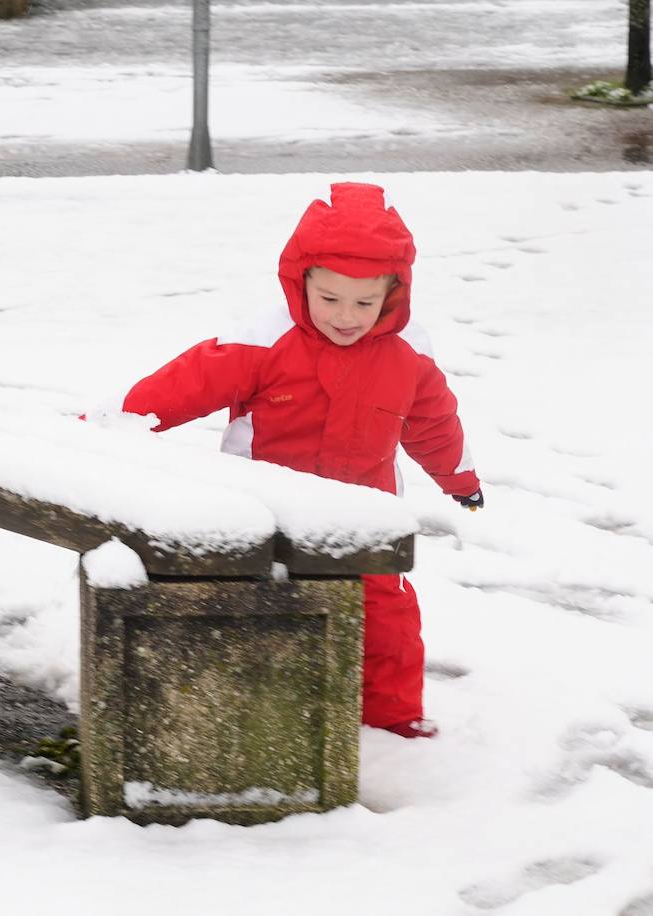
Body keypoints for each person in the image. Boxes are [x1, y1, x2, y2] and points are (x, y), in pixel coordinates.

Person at [120, 182, 483, 739]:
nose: (346, 316)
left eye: (365, 302)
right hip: (265, 509)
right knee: (253, 610)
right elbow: (182, 385)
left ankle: (391, 726)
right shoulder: (265, 341)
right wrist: (112, 426)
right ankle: (244, 711)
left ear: (393, 293)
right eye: (329, 298)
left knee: (388, 622)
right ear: (300, 282)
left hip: (360, 515)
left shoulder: (410, 352)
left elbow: (434, 421)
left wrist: (458, 477)